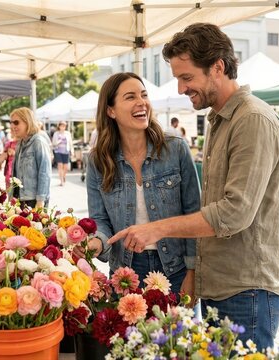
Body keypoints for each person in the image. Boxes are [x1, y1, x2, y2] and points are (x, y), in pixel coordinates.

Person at [105, 23, 279, 350]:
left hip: (247, 289)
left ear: (217, 67)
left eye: (186, 78)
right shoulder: (221, 120)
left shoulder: (252, 120)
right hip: (223, 285)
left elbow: (234, 213)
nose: (179, 89)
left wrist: (157, 229)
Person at [78, 72, 200, 297]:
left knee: (178, 333)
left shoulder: (176, 150)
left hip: (175, 270)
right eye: (130, 97)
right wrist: (95, 242)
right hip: (125, 273)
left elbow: (194, 214)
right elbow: (100, 221)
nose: (141, 102)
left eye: (144, 95)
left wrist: (192, 272)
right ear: (111, 110)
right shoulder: (98, 161)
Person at [9, 107, 52, 209]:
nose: (12, 126)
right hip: (20, 199)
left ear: (27, 122)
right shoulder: (20, 143)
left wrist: (40, 201)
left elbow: (45, 173)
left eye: (16, 122)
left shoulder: (38, 142)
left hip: (34, 200)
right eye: (11, 122)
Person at [52, 121, 73, 186]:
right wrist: (58, 142)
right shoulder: (56, 133)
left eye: (64, 126)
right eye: (62, 126)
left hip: (66, 151)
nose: (63, 127)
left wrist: (72, 151)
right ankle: (61, 181)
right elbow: (53, 143)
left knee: (66, 167)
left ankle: (64, 176)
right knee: (60, 166)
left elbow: (70, 143)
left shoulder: (68, 133)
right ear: (59, 126)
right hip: (58, 151)